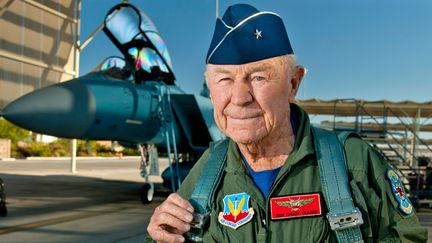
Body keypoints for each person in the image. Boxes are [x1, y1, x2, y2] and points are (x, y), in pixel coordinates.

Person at [147, 4, 427, 242]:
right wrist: (160, 235)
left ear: (293, 84)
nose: (240, 97)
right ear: (210, 86)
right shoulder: (207, 170)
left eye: (259, 77)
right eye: (224, 79)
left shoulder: (353, 162)